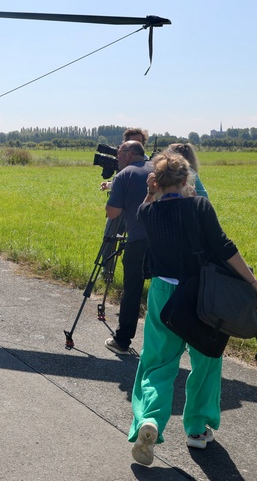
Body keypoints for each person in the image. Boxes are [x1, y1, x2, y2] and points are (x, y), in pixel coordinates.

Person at [129, 151, 257, 465]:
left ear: (157, 181)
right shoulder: (200, 206)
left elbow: (147, 204)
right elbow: (224, 246)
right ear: (185, 180)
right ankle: (196, 429)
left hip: (164, 294)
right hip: (201, 295)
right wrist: (255, 285)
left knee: (157, 364)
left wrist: (151, 191)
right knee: (207, 361)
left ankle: (149, 421)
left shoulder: (147, 213)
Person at [104, 140, 154, 354]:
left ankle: (123, 340)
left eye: (119, 152)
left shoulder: (125, 175)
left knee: (132, 289)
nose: (117, 156)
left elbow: (112, 213)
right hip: (169, 241)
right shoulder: (160, 169)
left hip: (139, 240)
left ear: (129, 154)